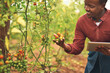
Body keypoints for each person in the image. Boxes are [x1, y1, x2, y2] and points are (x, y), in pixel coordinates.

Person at [53, 0, 110, 73]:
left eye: (91, 6)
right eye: (85, 5)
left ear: (102, 5)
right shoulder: (82, 21)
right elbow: (77, 47)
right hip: (93, 60)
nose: (86, 8)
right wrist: (64, 45)